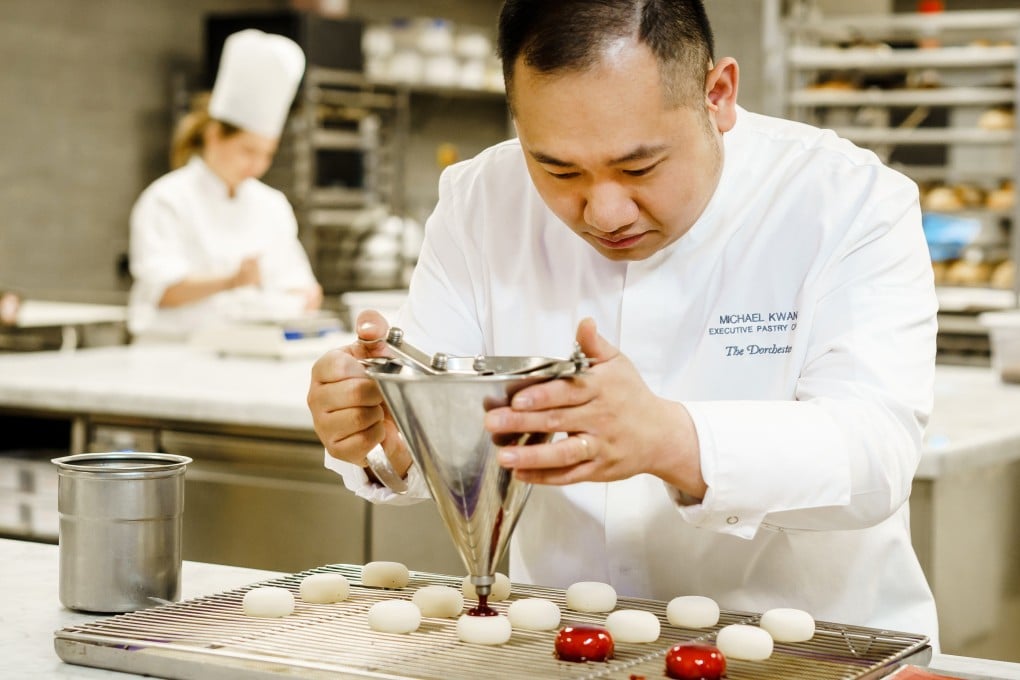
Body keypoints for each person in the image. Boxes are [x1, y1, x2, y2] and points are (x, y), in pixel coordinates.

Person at [307, 0, 940, 646]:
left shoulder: (846, 200)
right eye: (557, 170)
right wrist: (396, 423)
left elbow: (875, 454)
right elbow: (437, 413)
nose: (604, 211)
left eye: (640, 168)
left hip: (817, 652)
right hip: (563, 648)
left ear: (716, 95)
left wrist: (671, 437)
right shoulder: (479, 201)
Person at [128, 29, 322, 341]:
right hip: (171, 355)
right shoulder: (166, 199)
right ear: (214, 135)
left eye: (267, 154)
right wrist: (232, 280)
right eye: (248, 151)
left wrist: (304, 297)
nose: (258, 165)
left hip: (250, 353)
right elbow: (161, 291)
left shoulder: (271, 205)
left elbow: (302, 287)